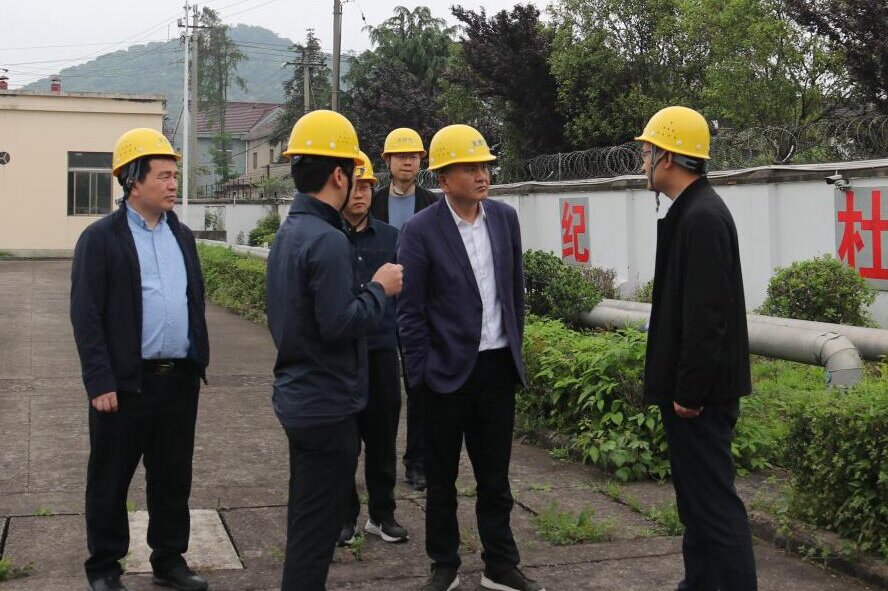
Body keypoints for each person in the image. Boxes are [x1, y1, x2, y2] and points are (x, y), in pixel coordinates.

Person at [397, 124, 544, 591]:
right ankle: (444, 563)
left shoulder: (504, 218)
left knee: (495, 478)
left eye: (485, 167)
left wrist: (514, 348)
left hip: (496, 368)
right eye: (470, 168)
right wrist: (419, 377)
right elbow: (410, 312)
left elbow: (514, 293)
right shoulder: (420, 230)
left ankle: (500, 564)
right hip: (444, 374)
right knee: (441, 479)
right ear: (444, 179)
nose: (482, 175)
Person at [265, 111, 403, 591]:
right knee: (315, 531)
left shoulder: (290, 232)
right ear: (340, 176)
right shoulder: (328, 240)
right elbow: (340, 324)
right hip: (326, 405)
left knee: (307, 520)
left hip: (299, 396)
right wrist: (379, 289)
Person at [70, 128, 210, 591]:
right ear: (133, 181)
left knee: (172, 477)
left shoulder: (182, 236)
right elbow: (86, 315)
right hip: (125, 384)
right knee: (110, 479)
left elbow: (191, 299)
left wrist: (197, 359)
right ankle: (104, 567)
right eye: (163, 176)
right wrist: (99, 381)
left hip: (178, 381)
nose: (173, 184)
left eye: (174, 175)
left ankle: (169, 560)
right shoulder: (101, 239)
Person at [636, 105, 757, 591]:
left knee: (714, 507)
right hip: (694, 393)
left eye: (647, 151)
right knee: (697, 505)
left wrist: (688, 391)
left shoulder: (702, 216)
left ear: (667, 157)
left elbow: (707, 317)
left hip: (701, 398)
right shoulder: (691, 210)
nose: (642, 161)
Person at [338, 151, 409, 547]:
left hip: (381, 350)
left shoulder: (391, 238)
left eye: (367, 186)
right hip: (343, 352)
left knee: (383, 438)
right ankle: (344, 516)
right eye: (355, 185)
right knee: (344, 441)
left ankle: (382, 515)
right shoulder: (328, 238)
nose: (361, 193)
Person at [370, 127, 438, 491]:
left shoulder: (433, 205)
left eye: (413, 156)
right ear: (388, 161)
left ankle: (418, 464)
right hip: (379, 305)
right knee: (379, 391)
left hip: (419, 307)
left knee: (419, 387)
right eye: (400, 156)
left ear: (421, 161)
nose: (407, 162)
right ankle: (376, 465)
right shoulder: (372, 202)